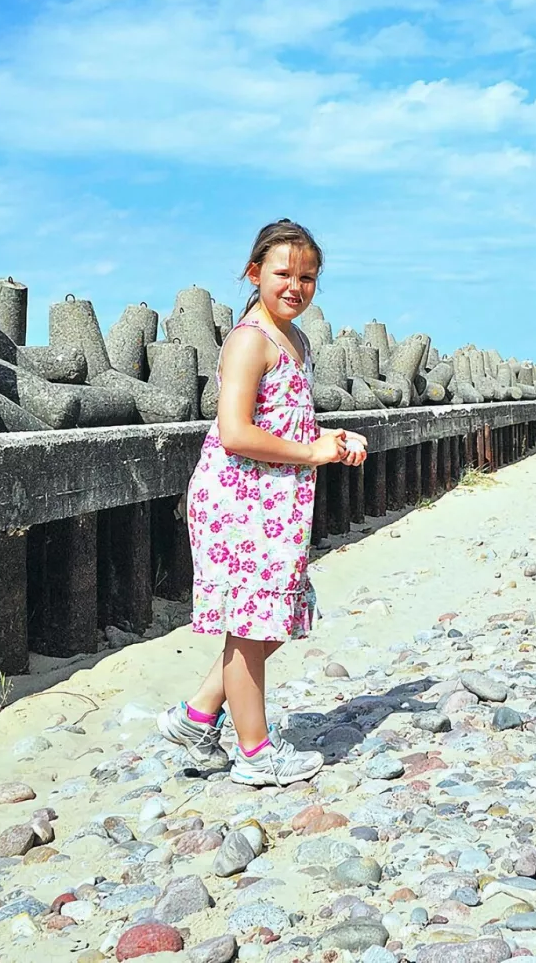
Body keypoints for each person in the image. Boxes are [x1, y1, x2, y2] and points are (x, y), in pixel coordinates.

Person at [156, 218, 366, 786]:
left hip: (277, 498)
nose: (295, 286)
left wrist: (335, 442)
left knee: (270, 620)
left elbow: (291, 421)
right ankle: (255, 752)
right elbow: (234, 432)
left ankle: (197, 717)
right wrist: (312, 452)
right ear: (255, 273)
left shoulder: (295, 339)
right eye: (283, 273)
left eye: (308, 277)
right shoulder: (250, 340)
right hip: (238, 498)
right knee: (251, 626)